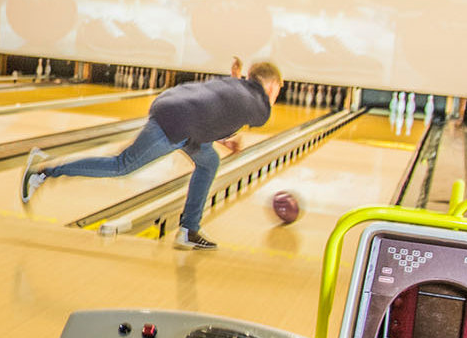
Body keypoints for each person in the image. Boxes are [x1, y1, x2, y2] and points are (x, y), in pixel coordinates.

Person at [21, 59, 283, 250]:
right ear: (271, 86)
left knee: (209, 162)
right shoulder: (259, 105)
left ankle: (189, 230)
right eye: (278, 90)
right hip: (177, 123)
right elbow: (252, 113)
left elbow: (217, 112)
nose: (276, 96)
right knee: (122, 165)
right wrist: (248, 112)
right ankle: (44, 170)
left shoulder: (236, 87)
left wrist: (225, 136)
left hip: (177, 109)